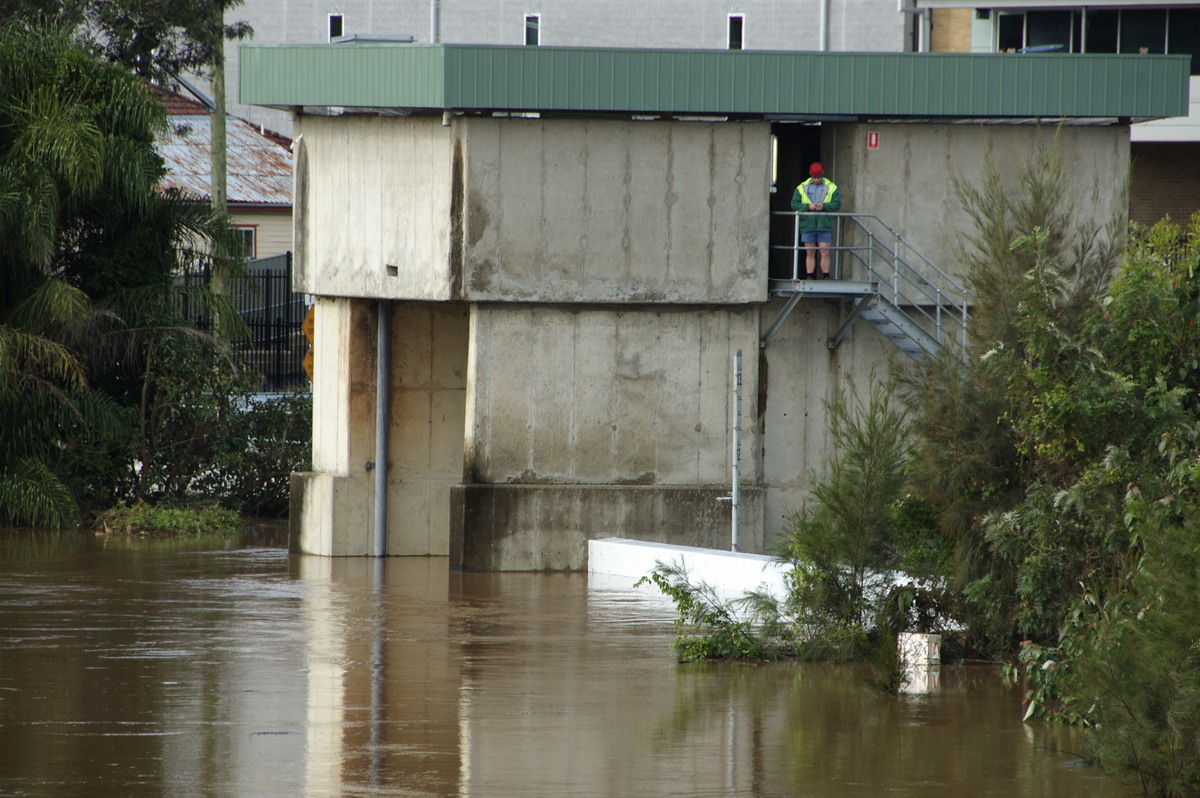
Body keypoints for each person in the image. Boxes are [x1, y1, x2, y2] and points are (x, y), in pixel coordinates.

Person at [790, 162, 841, 279]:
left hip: (824, 225)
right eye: (814, 177)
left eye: (818, 177)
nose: (817, 180)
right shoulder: (801, 187)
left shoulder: (831, 187)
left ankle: (826, 276)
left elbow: (837, 204)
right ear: (810, 174)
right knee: (810, 252)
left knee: (825, 251)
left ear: (822, 174)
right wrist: (808, 207)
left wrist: (824, 207)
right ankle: (810, 276)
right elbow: (794, 204)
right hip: (808, 224)